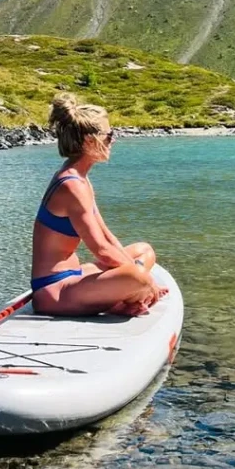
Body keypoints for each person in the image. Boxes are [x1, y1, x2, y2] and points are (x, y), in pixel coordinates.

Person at [31, 93, 167, 316]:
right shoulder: (71, 186)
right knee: (138, 276)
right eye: (109, 134)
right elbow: (101, 250)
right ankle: (128, 298)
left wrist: (135, 273)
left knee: (144, 250)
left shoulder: (81, 179)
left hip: (74, 278)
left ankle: (126, 300)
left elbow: (108, 237)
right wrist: (144, 281)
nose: (113, 140)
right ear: (89, 140)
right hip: (54, 292)